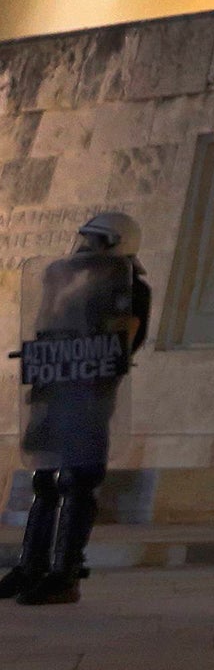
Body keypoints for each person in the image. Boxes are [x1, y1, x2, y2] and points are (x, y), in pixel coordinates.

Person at [3, 212, 151, 607]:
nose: (85, 247)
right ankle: (30, 566)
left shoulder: (130, 289)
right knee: (45, 477)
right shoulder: (61, 279)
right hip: (55, 388)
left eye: (96, 240)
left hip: (89, 393)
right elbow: (43, 326)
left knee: (78, 479)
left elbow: (122, 343)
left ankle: (64, 572)